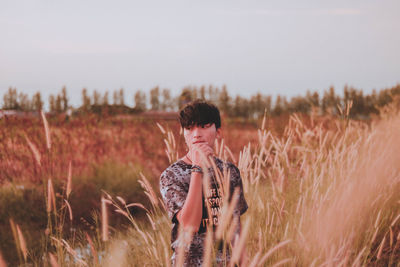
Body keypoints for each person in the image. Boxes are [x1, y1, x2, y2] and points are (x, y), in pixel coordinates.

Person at [160, 100, 248, 266]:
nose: (196, 134)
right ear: (183, 132)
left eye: (203, 126)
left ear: (218, 131)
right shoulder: (172, 175)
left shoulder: (230, 172)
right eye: (189, 128)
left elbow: (236, 226)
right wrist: (197, 168)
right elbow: (190, 224)